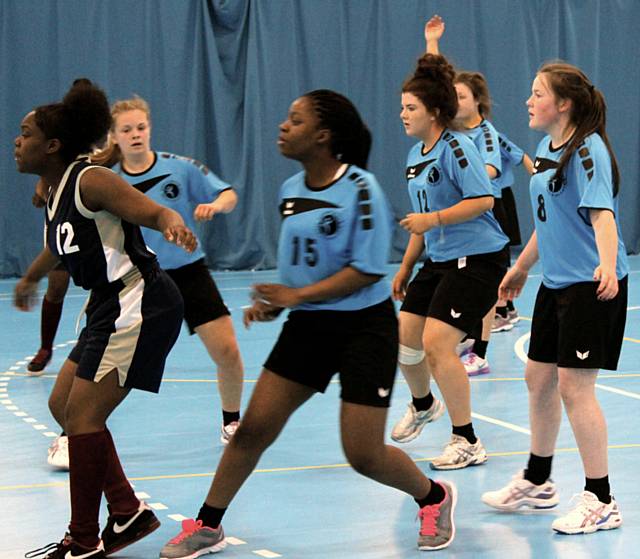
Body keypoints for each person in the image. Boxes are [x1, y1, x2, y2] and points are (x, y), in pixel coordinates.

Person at [159, 89, 457, 558]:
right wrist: (278, 304)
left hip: (365, 328)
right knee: (252, 430)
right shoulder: (290, 191)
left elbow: (365, 270)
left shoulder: (361, 188)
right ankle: (207, 524)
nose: (283, 126)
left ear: (322, 136)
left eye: (294, 120)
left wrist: (294, 295)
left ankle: (433, 497)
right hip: (309, 327)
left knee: (363, 454)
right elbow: (308, 267)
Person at [15, 78, 196, 559]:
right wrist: (32, 278)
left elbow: (150, 210)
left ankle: (84, 539)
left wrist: (170, 221)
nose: (17, 141)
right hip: (106, 307)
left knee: (83, 417)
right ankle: (126, 510)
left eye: (25, 133)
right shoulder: (53, 190)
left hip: (140, 301)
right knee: (63, 405)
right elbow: (59, 247)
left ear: (53, 146)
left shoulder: (90, 179)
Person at [481, 62, 627, 535]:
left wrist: (606, 264)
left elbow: (601, 215)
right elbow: (550, 220)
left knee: (573, 388)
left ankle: (601, 499)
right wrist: (521, 268)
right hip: (556, 284)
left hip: (591, 285)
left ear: (563, 103)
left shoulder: (589, 151)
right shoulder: (547, 147)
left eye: (537, 93)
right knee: (537, 379)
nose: (528, 100)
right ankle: (539, 481)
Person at [96, 96, 244, 444]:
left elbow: (228, 193)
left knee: (228, 350)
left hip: (188, 272)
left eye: (141, 127)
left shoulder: (179, 167)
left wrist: (215, 206)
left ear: (150, 129)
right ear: (114, 137)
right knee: (108, 361)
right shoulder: (106, 181)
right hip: (138, 281)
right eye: (127, 130)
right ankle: (75, 428)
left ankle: (232, 422)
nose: (136, 135)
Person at [389, 51, 509, 472]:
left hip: (477, 258)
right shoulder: (414, 157)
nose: (402, 114)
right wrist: (405, 267)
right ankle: (423, 405)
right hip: (439, 259)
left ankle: (467, 440)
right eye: (402, 106)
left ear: (434, 112)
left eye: (410, 108)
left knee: (438, 344)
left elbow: (483, 199)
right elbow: (420, 224)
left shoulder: (457, 147)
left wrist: (434, 219)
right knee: (406, 337)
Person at [27, 178, 71, 375]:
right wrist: (41, 191)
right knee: (56, 288)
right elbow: (45, 178)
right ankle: (45, 349)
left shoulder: (99, 155)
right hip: (62, 224)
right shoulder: (58, 151)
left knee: (105, 283)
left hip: (96, 220)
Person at [491, 134, 534, 332]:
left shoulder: (489, 134)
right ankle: (508, 308)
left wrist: (539, 181)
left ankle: (499, 312)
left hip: (498, 199)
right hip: (489, 199)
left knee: (495, 255)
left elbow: (520, 156)